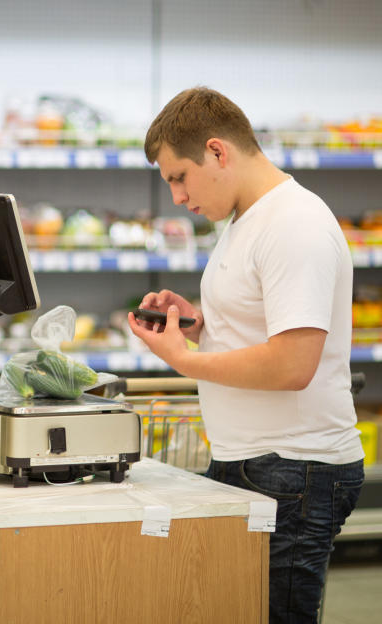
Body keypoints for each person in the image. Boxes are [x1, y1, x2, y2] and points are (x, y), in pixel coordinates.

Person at [128, 87, 364, 623]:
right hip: (259, 463)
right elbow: (259, 324)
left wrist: (183, 359)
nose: (178, 199)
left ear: (217, 152)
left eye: (178, 177)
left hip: (296, 471)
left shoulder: (293, 225)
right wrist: (196, 324)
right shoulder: (246, 220)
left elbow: (291, 365)